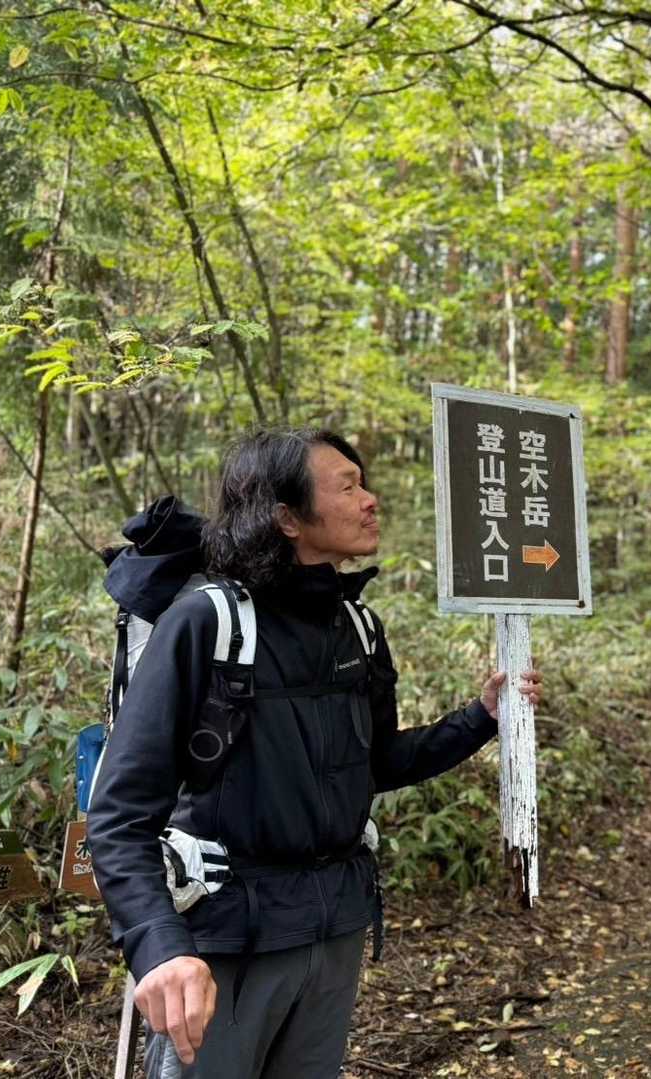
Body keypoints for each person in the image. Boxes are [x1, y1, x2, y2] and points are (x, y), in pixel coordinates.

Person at [87, 429, 540, 1078]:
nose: (370, 499)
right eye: (347, 486)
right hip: (226, 940)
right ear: (287, 518)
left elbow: (379, 763)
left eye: (364, 482)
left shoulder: (357, 627)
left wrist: (480, 718)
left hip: (333, 932)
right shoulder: (207, 624)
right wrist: (159, 946)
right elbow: (121, 813)